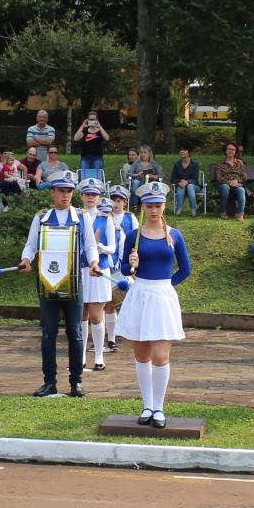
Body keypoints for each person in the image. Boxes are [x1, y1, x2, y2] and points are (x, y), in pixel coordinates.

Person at [114, 181, 191, 427]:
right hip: (140, 294)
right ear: (143, 207)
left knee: (160, 355)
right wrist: (132, 263)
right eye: (149, 206)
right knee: (142, 354)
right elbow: (124, 269)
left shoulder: (175, 235)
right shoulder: (134, 237)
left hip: (162, 296)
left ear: (164, 206)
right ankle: (147, 405)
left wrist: (166, 287)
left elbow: (185, 269)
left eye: (158, 205)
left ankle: (159, 407)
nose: (154, 210)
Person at [18, 169, 94, 397]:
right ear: (52, 192)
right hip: (47, 282)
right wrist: (26, 259)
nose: (66, 195)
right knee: (48, 334)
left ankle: (76, 382)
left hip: (73, 283)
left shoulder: (82, 216)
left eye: (69, 191)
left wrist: (94, 262)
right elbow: (31, 245)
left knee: (75, 332)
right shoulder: (41, 217)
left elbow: (90, 245)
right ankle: (49, 382)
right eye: (61, 190)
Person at [78, 180, 117, 373]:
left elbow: (113, 248)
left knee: (95, 314)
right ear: (82, 196)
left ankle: (99, 356)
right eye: (87, 194)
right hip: (80, 269)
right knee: (81, 314)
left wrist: (99, 247)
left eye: (94, 194)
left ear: (99, 197)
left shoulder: (105, 219)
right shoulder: (76, 217)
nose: (90, 197)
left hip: (99, 269)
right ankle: (81, 356)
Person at [105, 185, 137, 351]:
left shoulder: (130, 218)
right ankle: (110, 336)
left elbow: (137, 240)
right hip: (109, 264)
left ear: (125, 202)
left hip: (126, 263)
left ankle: (131, 329)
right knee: (109, 301)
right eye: (113, 200)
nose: (115, 204)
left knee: (129, 299)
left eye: (119, 200)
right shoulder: (105, 216)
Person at [213, 143, 248, 220]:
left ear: (235, 152)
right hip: (223, 184)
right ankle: (223, 212)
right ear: (225, 151)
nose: (231, 151)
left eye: (233, 149)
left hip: (236, 185)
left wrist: (237, 181)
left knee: (241, 190)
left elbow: (244, 177)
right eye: (229, 149)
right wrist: (229, 182)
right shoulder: (220, 163)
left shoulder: (239, 162)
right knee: (225, 188)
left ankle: (240, 214)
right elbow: (219, 178)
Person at [169, 146, 202, 215]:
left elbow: (195, 179)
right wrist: (179, 182)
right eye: (181, 150)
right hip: (181, 186)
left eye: (184, 150)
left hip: (194, 187)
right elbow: (172, 178)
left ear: (189, 152)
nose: (182, 151)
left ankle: (193, 210)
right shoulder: (177, 164)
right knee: (181, 187)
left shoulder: (195, 164)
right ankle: (179, 209)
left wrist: (187, 182)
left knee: (190, 186)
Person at [76, 111, 108, 181]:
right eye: (90, 119)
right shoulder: (85, 131)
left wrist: (100, 126)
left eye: (94, 119)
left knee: (97, 177)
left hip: (97, 157)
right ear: (87, 120)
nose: (92, 121)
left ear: (97, 120)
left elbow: (107, 138)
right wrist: (82, 126)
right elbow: (76, 138)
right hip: (85, 158)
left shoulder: (100, 131)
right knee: (83, 176)